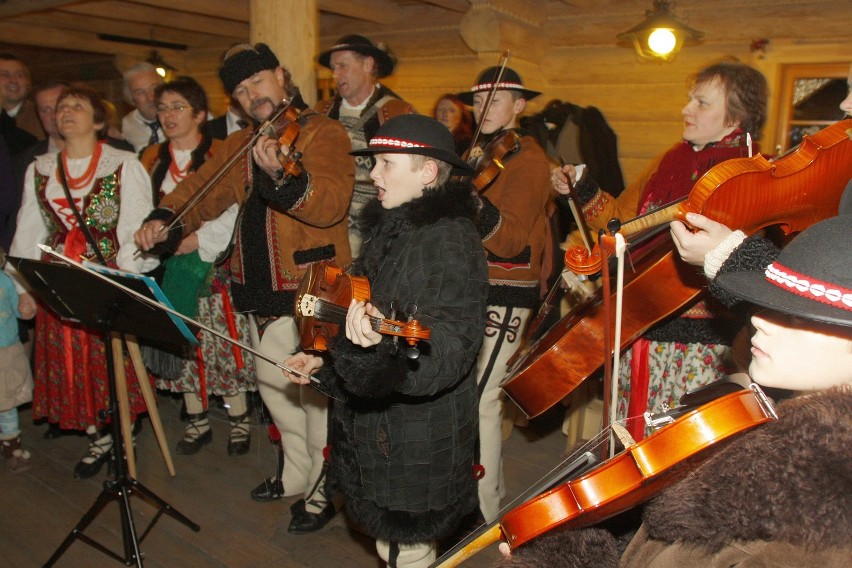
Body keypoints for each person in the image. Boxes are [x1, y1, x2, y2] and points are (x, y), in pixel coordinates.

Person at [497, 214, 852, 567]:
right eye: (769, 304)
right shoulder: (760, 421)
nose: (758, 318)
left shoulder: (799, 529)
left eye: (795, 315)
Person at [134, 43, 354, 533]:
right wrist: (163, 216)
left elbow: (330, 204)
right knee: (277, 392)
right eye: (239, 89)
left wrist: (283, 173)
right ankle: (297, 470)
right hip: (259, 291)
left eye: (257, 81)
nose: (249, 93)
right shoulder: (244, 144)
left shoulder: (323, 131)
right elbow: (202, 188)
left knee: (316, 397)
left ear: (281, 75)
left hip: (316, 285)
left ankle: (324, 485)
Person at [283, 114, 489, 567]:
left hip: (415, 438)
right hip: (384, 431)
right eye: (374, 162)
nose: (372, 174)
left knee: (406, 551)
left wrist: (384, 348)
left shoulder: (450, 241)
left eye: (386, 163)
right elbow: (354, 305)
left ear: (428, 171)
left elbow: (447, 352)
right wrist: (322, 357)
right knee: (392, 549)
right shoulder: (398, 228)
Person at [552, 61, 769, 438]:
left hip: (702, 342)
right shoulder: (669, 159)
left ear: (737, 118)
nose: (687, 109)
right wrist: (580, 186)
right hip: (640, 319)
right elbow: (618, 221)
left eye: (702, 103)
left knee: (676, 442)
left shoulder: (750, 175)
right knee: (630, 438)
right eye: (690, 99)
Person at [7, 85, 156, 479]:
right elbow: (27, 230)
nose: (65, 112)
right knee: (71, 363)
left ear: (99, 120)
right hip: (57, 280)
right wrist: (24, 288)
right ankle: (98, 435)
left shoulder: (124, 164)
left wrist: (124, 279)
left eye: (77, 106)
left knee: (108, 358)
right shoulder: (39, 169)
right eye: (60, 108)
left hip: (105, 276)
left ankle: (123, 435)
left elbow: (134, 229)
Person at [137, 76, 255, 457]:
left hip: (212, 263)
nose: (168, 115)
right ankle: (196, 417)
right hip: (168, 267)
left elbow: (237, 206)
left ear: (200, 114)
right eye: (163, 108)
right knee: (181, 337)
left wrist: (197, 241)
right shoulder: (151, 157)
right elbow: (142, 208)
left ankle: (238, 418)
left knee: (220, 341)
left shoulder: (221, 151)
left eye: (178, 107)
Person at [456, 66, 553, 523]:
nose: (483, 108)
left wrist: (468, 200)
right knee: (469, 396)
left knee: (483, 398)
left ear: (520, 106)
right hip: (471, 286)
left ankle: (486, 511)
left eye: (496, 100)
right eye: (478, 101)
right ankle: (477, 493)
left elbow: (510, 239)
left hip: (509, 288)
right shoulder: (475, 154)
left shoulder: (530, 160)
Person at [316, 34, 415, 258]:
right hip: (326, 237)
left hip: (375, 237)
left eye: (342, 66)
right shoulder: (320, 113)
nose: (335, 74)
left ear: (368, 64)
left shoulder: (397, 113)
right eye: (333, 68)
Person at [0, 246, 33, 473]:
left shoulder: (5, 281)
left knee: (7, 401)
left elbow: (19, 308)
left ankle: (11, 445)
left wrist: (26, 309)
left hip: (6, 350)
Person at [120, 62, 165, 153]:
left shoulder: (180, 120)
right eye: (140, 92)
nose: (150, 98)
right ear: (131, 99)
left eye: (154, 89)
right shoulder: (127, 125)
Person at [0, 53, 45, 141]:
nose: (13, 80)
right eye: (5, 75)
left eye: (19, 75)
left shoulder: (41, 115)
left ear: (27, 82)